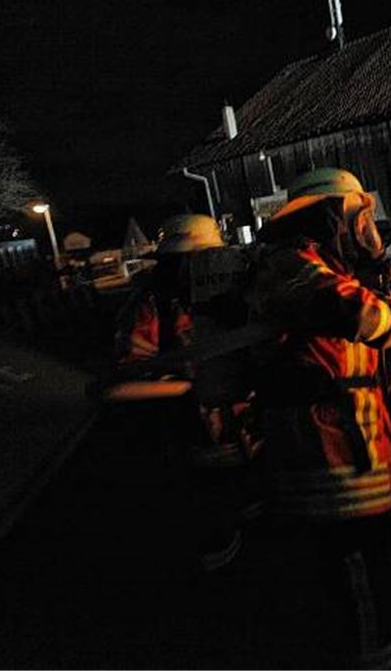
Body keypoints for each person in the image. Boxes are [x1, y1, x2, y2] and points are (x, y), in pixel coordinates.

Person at [246, 168, 391, 669]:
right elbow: (369, 317)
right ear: (332, 218)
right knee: (353, 573)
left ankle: (372, 649)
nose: (367, 229)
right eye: (359, 217)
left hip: (356, 455)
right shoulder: (293, 269)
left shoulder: (328, 269)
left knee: (367, 569)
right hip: (327, 461)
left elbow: (386, 305)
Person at [114, 213, 262, 572]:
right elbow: (130, 370)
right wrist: (186, 386)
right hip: (194, 436)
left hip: (251, 432)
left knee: (258, 516)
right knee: (215, 529)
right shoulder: (153, 305)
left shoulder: (239, 295)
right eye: (188, 261)